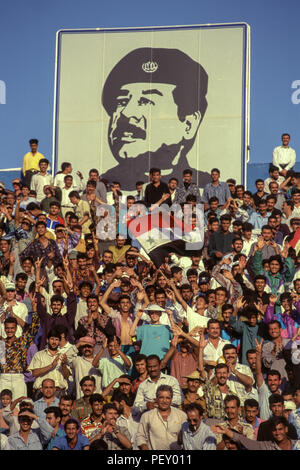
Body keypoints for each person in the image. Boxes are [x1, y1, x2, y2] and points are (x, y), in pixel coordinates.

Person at [101, 47, 210, 190]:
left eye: (146, 101)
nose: (126, 113)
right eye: (122, 102)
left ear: (189, 124)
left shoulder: (203, 186)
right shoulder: (103, 185)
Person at [136, 384, 187, 450]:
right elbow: (140, 436)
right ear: (156, 398)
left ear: (171, 399)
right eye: (161, 397)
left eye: (167, 398)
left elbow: (187, 437)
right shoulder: (147, 416)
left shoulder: (181, 415)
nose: (164, 401)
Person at [212, 416, 300, 450]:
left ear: (286, 429)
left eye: (280, 429)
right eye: (274, 430)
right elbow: (244, 441)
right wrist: (227, 431)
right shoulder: (267, 447)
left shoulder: (297, 445)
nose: (277, 433)